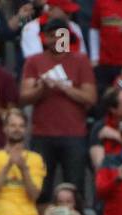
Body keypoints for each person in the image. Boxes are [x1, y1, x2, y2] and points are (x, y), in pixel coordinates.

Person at [20, 17, 97, 200]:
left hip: (74, 134)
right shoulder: (34, 61)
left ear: (68, 37)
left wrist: (64, 87)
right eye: (52, 36)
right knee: (41, 189)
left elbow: (91, 98)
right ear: (44, 38)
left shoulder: (80, 61)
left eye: (61, 36)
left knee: (75, 188)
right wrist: (42, 88)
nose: (56, 40)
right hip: (42, 134)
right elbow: (23, 97)